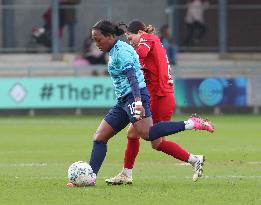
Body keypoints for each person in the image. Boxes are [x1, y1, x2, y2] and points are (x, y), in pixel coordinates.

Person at [66, 20, 214, 187]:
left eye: (98, 39)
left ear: (109, 36)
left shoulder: (122, 51)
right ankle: (91, 178)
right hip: (123, 100)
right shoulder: (115, 50)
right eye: (94, 39)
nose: (96, 43)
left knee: (148, 134)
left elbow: (133, 77)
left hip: (134, 97)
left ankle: (191, 123)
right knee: (100, 137)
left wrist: (137, 101)